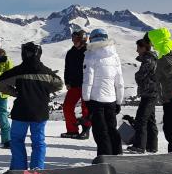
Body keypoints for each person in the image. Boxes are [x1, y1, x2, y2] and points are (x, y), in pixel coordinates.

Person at [0, 42, 63, 170]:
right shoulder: (46, 72)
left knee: (16, 140)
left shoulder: (18, 70)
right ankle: (37, 169)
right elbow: (59, 84)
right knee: (38, 142)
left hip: (21, 111)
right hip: (40, 112)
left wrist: (15, 92)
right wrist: (44, 91)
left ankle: (18, 169)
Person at [82, 28, 125, 156]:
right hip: (111, 100)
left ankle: (104, 157)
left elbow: (88, 80)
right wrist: (119, 101)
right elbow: (119, 81)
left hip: (96, 100)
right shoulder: (114, 55)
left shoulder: (90, 55)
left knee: (101, 131)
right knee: (112, 128)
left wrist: (86, 99)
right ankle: (117, 154)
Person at [127, 36, 159, 153]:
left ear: (144, 48)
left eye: (138, 48)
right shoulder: (151, 58)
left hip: (149, 92)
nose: (137, 50)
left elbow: (141, 75)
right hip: (152, 92)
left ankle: (139, 146)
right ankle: (151, 145)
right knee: (150, 119)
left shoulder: (148, 60)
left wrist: (137, 76)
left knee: (141, 119)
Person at [61, 29, 91, 139]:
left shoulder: (89, 51)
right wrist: (67, 82)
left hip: (86, 84)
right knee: (67, 107)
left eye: (76, 39)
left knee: (85, 108)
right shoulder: (70, 52)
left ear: (82, 40)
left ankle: (85, 131)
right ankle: (72, 130)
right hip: (74, 84)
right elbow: (67, 68)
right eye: (73, 39)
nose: (74, 41)